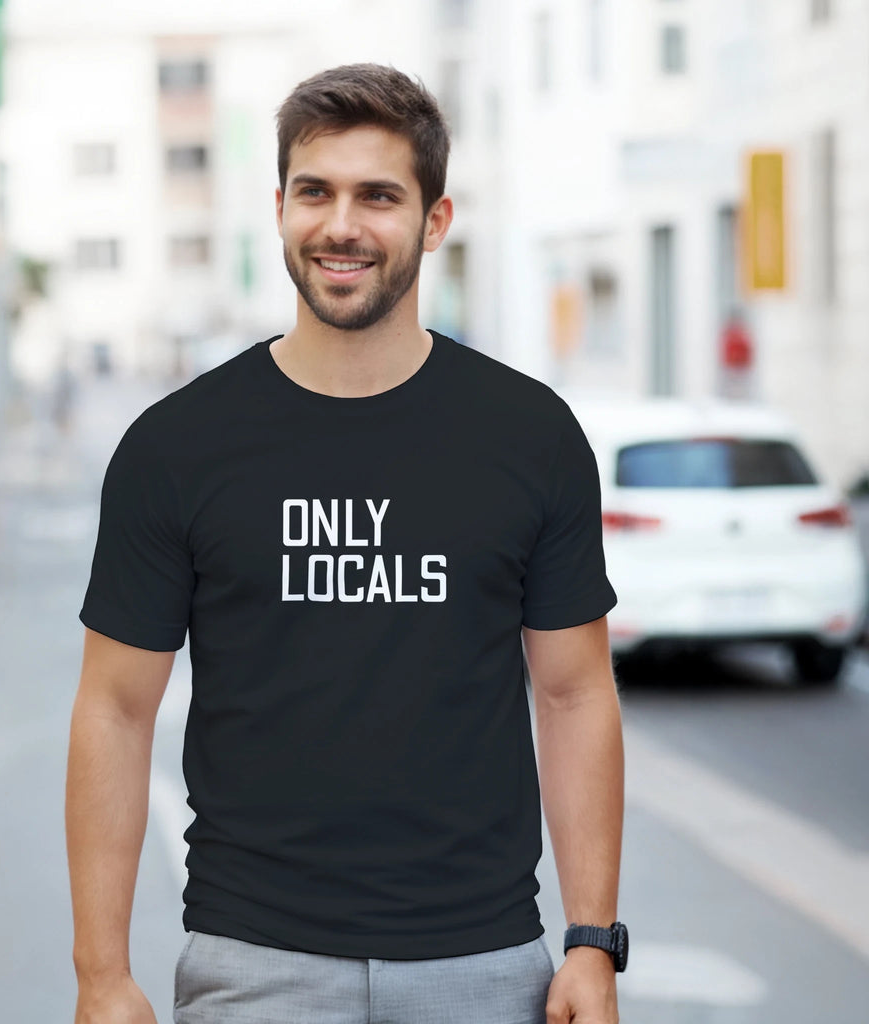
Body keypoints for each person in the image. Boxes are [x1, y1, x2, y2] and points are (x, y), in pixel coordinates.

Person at [67, 63, 625, 1024]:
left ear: (435, 220)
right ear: (279, 207)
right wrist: (101, 975)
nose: (342, 225)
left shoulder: (530, 436)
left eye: (379, 196)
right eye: (315, 192)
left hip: (485, 962)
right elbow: (115, 711)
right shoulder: (178, 446)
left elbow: (573, 692)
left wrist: (592, 942)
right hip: (254, 962)